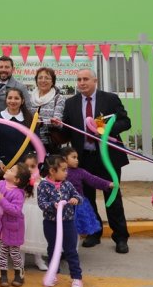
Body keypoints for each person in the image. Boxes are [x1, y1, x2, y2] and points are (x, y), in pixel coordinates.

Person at [56, 68, 131, 254]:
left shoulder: (110, 99)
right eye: (79, 79)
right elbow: (68, 132)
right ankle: (94, 233)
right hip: (82, 160)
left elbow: (125, 121)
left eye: (86, 79)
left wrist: (107, 129)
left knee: (112, 197)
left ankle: (120, 237)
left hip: (108, 158)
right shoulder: (71, 103)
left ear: (95, 80)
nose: (82, 83)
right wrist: (58, 127)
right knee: (86, 198)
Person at [37, 155, 83, 287]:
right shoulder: (43, 185)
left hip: (67, 223)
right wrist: (53, 205)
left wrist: (75, 199)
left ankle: (76, 277)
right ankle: (53, 274)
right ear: (52, 171)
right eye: (63, 170)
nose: (66, 173)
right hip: (50, 223)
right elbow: (41, 203)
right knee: (53, 249)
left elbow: (78, 196)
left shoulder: (67, 185)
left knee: (70, 250)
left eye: (66, 170)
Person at [0, 163, 32, 287]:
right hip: (2, 227)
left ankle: (19, 273)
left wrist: (1, 199)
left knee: (15, 253)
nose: (8, 169)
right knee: (3, 252)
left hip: (14, 228)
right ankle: (3, 275)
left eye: (12, 170)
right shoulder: (0, 184)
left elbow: (15, 210)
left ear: (16, 179)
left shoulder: (18, 193)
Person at [61, 147, 113, 237]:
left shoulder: (80, 172)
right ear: (64, 159)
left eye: (77, 158)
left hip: (78, 206)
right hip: (63, 205)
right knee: (62, 228)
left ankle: (72, 248)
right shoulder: (58, 172)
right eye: (73, 157)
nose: (77, 160)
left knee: (74, 229)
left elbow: (93, 179)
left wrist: (108, 184)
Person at [20, 152, 48, 271]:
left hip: (38, 212)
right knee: (22, 236)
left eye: (33, 166)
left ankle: (38, 259)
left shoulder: (42, 181)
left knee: (38, 234)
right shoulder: (20, 182)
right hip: (23, 211)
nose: (30, 169)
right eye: (27, 166)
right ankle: (20, 260)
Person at [27, 67, 65, 154]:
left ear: (52, 81)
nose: (43, 80)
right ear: (36, 81)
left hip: (49, 144)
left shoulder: (58, 98)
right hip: (30, 142)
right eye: (40, 78)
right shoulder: (30, 97)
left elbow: (59, 123)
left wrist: (42, 122)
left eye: (47, 78)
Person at [0, 88, 34, 170]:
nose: (12, 101)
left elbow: (34, 144)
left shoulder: (30, 119)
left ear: (22, 101)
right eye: (10, 98)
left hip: (25, 166)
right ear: (6, 100)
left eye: (16, 98)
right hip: (4, 165)